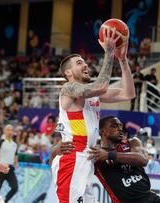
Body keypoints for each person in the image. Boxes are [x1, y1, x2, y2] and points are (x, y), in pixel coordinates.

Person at [50, 27, 135, 203]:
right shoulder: (68, 89)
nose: (86, 64)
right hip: (73, 157)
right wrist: (109, 53)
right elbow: (100, 86)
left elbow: (128, 93)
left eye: (84, 61)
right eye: (79, 63)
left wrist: (123, 60)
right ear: (68, 73)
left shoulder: (93, 93)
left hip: (87, 157)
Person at [90, 116, 160, 202]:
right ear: (103, 132)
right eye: (114, 126)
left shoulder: (133, 142)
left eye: (121, 126)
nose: (120, 129)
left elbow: (143, 160)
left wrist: (109, 155)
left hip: (151, 199)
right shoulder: (95, 154)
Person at [0, 124, 19, 203]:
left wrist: (16, 163)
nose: (10, 131)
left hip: (10, 169)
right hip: (0, 168)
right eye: (8, 129)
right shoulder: (0, 142)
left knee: (15, 187)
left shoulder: (15, 144)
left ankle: (5, 201)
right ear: (4, 131)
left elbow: (15, 154)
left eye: (12, 130)